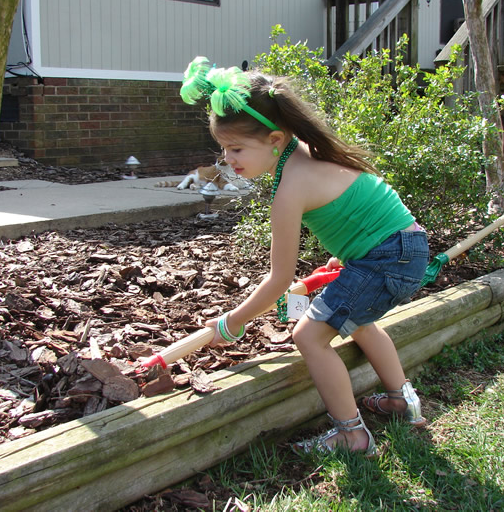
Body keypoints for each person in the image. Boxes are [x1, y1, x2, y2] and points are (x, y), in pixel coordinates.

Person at [181, 57, 429, 456]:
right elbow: (361, 213)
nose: (228, 159)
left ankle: (352, 435)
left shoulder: (289, 189)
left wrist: (233, 322)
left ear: (275, 139)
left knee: (309, 336)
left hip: (385, 259)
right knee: (359, 322)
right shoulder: (311, 151)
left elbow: (280, 280)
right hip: (405, 247)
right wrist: (350, 259)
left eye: (236, 148)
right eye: (224, 148)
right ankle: (403, 401)